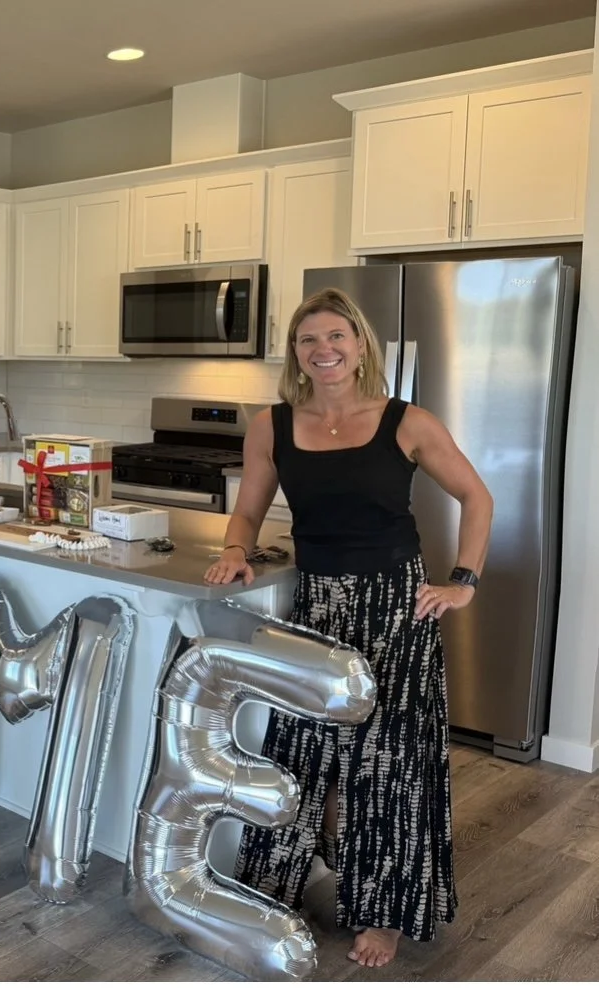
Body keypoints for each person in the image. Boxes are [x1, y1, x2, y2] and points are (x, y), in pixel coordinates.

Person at [204, 288, 493, 969]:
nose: (323, 349)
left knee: (384, 765)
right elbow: (247, 510)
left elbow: (478, 496)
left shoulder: (406, 421)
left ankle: (384, 912)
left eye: (336, 336)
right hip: (316, 611)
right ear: (296, 354)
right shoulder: (271, 425)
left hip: (397, 606)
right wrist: (235, 550)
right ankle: (276, 884)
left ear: (360, 345)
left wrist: (464, 582)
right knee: (298, 755)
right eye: (309, 340)